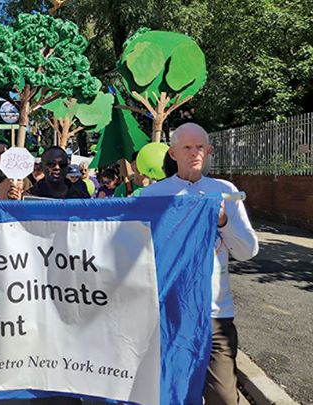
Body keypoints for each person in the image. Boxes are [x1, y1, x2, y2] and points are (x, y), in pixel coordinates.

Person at [139, 123, 259, 405]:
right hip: (169, 315)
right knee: (171, 394)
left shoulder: (225, 191)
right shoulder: (153, 197)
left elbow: (248, 251)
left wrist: (223, 222)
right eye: (187, 147)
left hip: (215, 315)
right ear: (173, 153)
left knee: (224, 397)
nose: (195, 153)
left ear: (209, 151)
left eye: (200, 147)